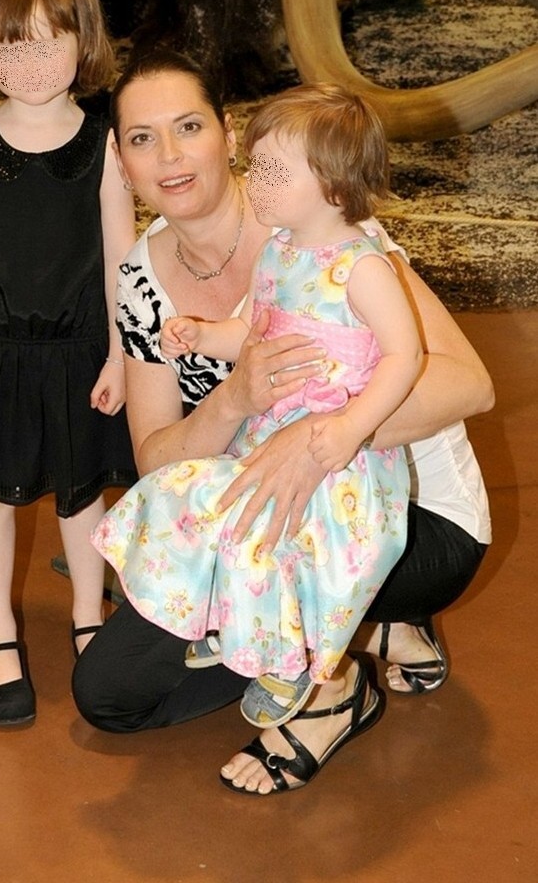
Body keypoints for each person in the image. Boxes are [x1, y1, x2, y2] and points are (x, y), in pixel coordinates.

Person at [72, 47, 493, 796]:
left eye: (188, 127)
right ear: (121, 160)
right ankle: (330, 638)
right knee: (109, 693)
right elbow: (157, 458)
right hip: (261, 514)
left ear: (229, 136)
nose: (169, 156)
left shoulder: (322, 226)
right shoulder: (140, 280)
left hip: (398, 514)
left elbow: (471, 385)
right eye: (141, 138)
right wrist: (234, 399)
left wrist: (321, 436)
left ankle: (333, 687)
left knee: (270, 569)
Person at [92, 84, 423, 729]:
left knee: (276, 540)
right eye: (258, 166)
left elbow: (404, 357)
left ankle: (295, 663)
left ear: (332, 186)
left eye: (273, 172)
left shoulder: (362, 265)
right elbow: (254, 331)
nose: (257, 181)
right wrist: (202, 336)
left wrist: (351, 426)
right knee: (205, 500)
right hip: (270, 429)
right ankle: (225, 617)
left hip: (337, 453)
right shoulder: (279, 252)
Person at [0, 0, 138, 728]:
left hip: (79, 350)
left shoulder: (102, 142)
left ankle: (87, 616)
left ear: (84, 41)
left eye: (48, 43)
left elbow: (120, 255)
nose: (30, 64)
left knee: (81, 490)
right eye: (11, 47)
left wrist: (121, 354)